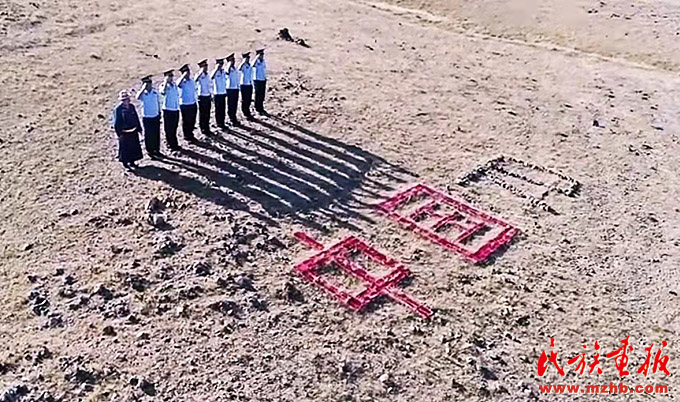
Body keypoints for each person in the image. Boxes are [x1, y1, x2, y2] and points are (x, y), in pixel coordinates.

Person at [113, 90, 143, 169]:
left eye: (127, 99)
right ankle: (125, 164)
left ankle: (132, 162)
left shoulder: (132, 107)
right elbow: (116, 123)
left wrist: (139, 128)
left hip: (133, 131)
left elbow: (136, 117)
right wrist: (119, 134)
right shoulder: (118, 109)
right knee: (125, 149)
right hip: (124, 133)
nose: (126, 101)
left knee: (133, 147)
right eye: (124, 99)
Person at [136, 75, 162, 158]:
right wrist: (143, 88)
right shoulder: (143, 94)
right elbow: (137, 97)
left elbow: (158, 102)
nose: (149, 85)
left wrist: (159, 112)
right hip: (147, 117)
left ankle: (156, 149)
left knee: (156, 134)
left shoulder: (155, 92)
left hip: (155, 115)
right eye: (147, 84)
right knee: (149, 135)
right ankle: (150, 151)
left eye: (150, 83)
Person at [159, 69, 181, 151]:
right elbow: (162, 92)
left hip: (175, 109)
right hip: (168, 109)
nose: (171, 78)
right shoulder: (163, 85)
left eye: (172, 76)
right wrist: (165, 82)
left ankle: (174, 143)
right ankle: (170, 144)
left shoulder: (174, 85)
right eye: (169, 76)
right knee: (168, 128)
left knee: (174, 127)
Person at [177, 63, 198, 143]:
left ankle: (191, 134)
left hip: (192, 103)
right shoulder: (181, 82)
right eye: (187, 72)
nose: (188, 73)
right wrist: (183, 76)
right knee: (186, 121)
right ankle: (187, 136)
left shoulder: (191, 81)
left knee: (192, 120)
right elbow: (178, 84)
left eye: (188, 71)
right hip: (185, 104)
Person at [195, 59, 212, 136]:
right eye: (205, 66)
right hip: (201, 96)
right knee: (202, 114)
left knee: (207, 113)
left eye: (206, 65)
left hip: (207, 95)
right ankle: (203, 128)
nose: (206, 67)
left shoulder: (207, 75)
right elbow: (195, 80)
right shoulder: (198, 75)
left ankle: (207, 127)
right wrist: (201, 72)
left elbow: (209, 85)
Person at [212, 58, 227, 129]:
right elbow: (211, 77)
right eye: (220, 64)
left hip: (223, 92)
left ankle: (222, 122)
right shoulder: (215, 72)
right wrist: (216, 69)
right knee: (218, 109)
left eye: (222, 64)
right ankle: (219, 123)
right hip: (217, 93)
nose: (221, 66)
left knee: (223, 109)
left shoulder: (223, 72)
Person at [225, 53, 240, 126]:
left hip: (235, 88)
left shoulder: (234, 68)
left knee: (235, 104)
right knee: (231, 104)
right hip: (230, 89)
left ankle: (234, 117)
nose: (234, 61)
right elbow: (227, 71)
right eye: (232, 60)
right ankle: (231, 118)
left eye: (233, 59)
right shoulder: (227, 68)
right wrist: (229, 63)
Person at [239, 52, 254, 120]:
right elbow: (239, 69)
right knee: (244, 99)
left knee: (248, 99)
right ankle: (245, 112)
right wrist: (243, 62)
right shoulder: (243, 66)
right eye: (247, 58)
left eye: (248, 58)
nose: (248, 59)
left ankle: (248, 111)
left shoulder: (249, 65)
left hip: (249, 84)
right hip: (244, 84)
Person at [253, 48, 267, 115]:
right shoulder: (256, 62)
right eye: (261, 54)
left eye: (262, 54)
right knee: (257, 94)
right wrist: (257, 57)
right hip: (257, 80)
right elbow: (252, 65)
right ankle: (257, 108)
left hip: (263, 79)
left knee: (262, 95)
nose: (262, 56)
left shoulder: (263, 61)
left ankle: (261, 107)